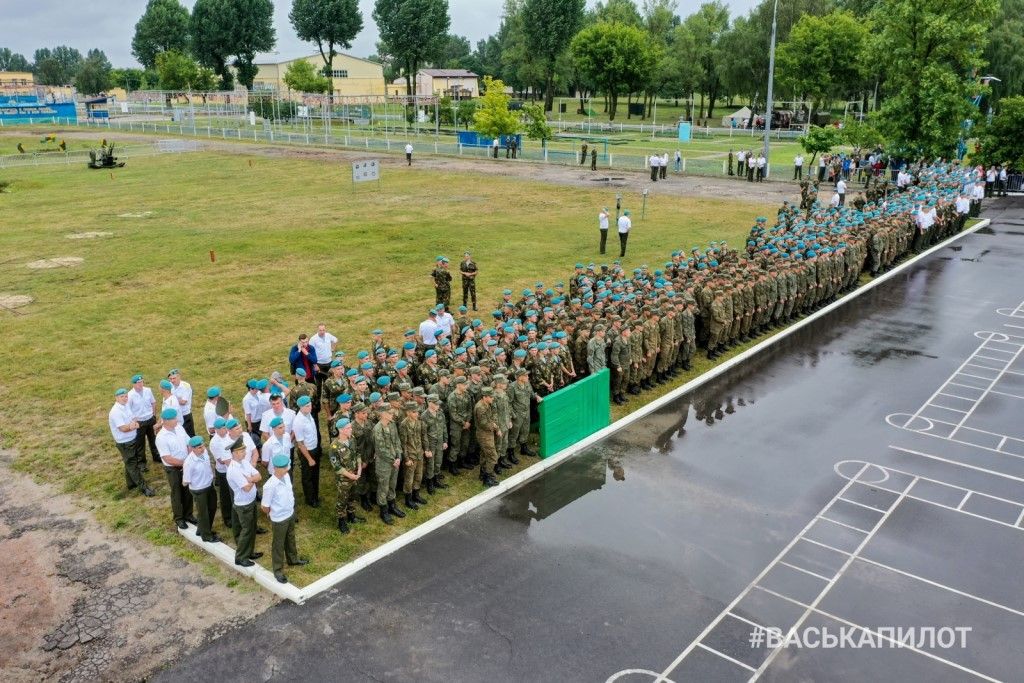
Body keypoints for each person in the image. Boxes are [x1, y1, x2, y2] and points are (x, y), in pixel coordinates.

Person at [262, 454, 308, 583]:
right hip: (279, 518)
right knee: (278, 544)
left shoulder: (286, 476)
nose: (287, 469)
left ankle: (293, 559)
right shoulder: (270, 485)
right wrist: (273, 512)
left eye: (286, 466)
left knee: (290, 537)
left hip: (289, 513)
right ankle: (278, 570)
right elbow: (265, 506)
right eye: (284, 467)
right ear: (276, 468)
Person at [154, 408, 195, 530]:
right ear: (165, 421)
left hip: (184, 465)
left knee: (187, 491)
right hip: (173, 469)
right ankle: (179, 518)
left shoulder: (179, 428)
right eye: (173, 419)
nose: (176, 420)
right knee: (176, 493)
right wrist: (184, 463)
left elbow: (189, 443)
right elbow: (168, 458)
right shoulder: (161, 437)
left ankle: (188, 514)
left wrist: (188, 459)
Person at [109, 388, 152, 496]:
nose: (124, 398)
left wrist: (134, 424)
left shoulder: (126, 406)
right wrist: (133, 426)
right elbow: (123, 428)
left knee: (130, 462)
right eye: (122, 397)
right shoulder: (115, 412)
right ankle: (144, 488)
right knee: (133, 465)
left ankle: (131, 484)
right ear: (116, 398)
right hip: (125, 443)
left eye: (126, 396)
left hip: (132, 439)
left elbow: (134, 419)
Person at [226, 437, 262, 567]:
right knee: (246, 530)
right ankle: (240, 557)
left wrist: (250, 479)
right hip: (244, 504)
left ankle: (249, 552)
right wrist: (253, 480)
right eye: (242, 451)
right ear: (235, 453)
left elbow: (259, 476)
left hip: (250, 501)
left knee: (252, 528)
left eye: (244, 450)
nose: (245, 453)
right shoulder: (234, 469)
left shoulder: (244, 462)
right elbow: (246, 488)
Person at [327, 417, 363, 534]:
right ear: (341, 430)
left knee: (353, 496)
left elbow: (357, 453)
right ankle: (341, 521)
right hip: (344, 479)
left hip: (354, 475)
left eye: (350, 427)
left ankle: (352, 516)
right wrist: (350, 476)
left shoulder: (352, 439)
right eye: (348, 428)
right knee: (342, 499)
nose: (351, 430)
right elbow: (337, 467)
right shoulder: (334, 447)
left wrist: (359, 468)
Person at [182, 435, 220, 543]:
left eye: (203, 446)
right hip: (199, 489)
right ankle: (207, 536)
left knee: (212, 507)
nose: (202, 449)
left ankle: (202, 529)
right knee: (203, 513)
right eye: (199, 447)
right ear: (192, 449)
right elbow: (186, 481)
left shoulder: (205, 452)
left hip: (209, 485)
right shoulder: (189, 462)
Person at [372, 405, 405, 524]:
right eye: (390, 413)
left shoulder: (392, 425)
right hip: (384, 463)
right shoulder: (377, 429)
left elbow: (397, 441)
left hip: (394, 461)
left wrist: (398, 457)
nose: (393, 414)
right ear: (383, 414)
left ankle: (392, 506)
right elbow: (380, 450)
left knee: (392, 484)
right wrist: (394, 460)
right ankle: (383, 511)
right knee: (383, 487)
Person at [292, 395, 321, 507]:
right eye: (307, 406)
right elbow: (300, 444)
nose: (310, 407)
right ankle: (310, 499)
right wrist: (309, 458)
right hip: (307, 451)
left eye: (310, 405)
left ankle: (315, 495)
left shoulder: (308, 414)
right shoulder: (298, 421)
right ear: (301, 407)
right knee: (308, 476)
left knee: (315, 474)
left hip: (315, 447)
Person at [128, 374, 158, 464]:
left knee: (154, 439)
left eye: (141, 382)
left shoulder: (148, 390)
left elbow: (153, 402)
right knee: (140, 443)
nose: (140, 384)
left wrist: (154, 415)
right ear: (133, 384)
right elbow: (129, 410)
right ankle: (141, 462)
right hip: (139, 422)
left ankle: (156, 456)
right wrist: (134, 421)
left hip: (150, 419)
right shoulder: (130, 395)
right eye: (138, 383)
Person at [474, 387, 500, 487]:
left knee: (485, 455)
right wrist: (495, 427)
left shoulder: (486, 404)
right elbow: (484, 423)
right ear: (485, 397)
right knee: (493, 456)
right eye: (491, 396)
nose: (493, 398)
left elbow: (490, 418)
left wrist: (493, 425)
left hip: (487, 433)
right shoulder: (480, 407)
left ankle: (483, 473)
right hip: (484, 434)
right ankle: (487, 478)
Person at [167, 369, 195, 437]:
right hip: (176, 415)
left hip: (185, 414)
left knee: (189, 435)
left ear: (179, 377)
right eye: (170, 379)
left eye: (174, 378)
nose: (172, 380)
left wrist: (172, 398)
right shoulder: (170, 385)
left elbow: (183, 402)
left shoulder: (186, 386)